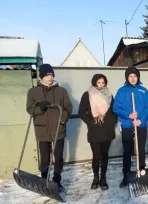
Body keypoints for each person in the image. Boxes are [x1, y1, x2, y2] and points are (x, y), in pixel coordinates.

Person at [26, 64, 73, 192]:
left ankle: (57, 181)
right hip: (42, 130)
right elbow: (30, 109)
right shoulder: (33, 92)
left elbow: (68, 107)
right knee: (45, 158)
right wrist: (40, 108)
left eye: (51, 75)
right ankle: (44, 181)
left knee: (58, 157)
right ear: (41, 76)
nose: (49, 77)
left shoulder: (61, 91)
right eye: (47, 75)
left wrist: (62, 120)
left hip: (58, 129)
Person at [113, 66, 148, 188]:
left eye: (135, 76)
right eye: (130, 76)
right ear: (127, 77)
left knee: (141, 149)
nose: (133, 78)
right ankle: (126, 175)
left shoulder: (143, 90)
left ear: (138, 77)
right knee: (127, 151)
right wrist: (128, 115)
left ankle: (142, 171)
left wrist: (141, 120)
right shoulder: (121, 91)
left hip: (140, 125)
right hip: (127, 126)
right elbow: (116, 108)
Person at [78, 74, 118, 190]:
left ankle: (103, 179)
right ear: (94, 82)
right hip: (94, 130)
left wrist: (111, 122)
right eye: (99, 82)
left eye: (103, 82)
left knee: (105, 155)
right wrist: (90, 122)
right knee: (96, 155)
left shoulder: (109, 95)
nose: (101, 85)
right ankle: (95, 178)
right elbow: (81, 112)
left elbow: (114, 111)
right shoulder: (88, 95)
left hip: (107, 130)